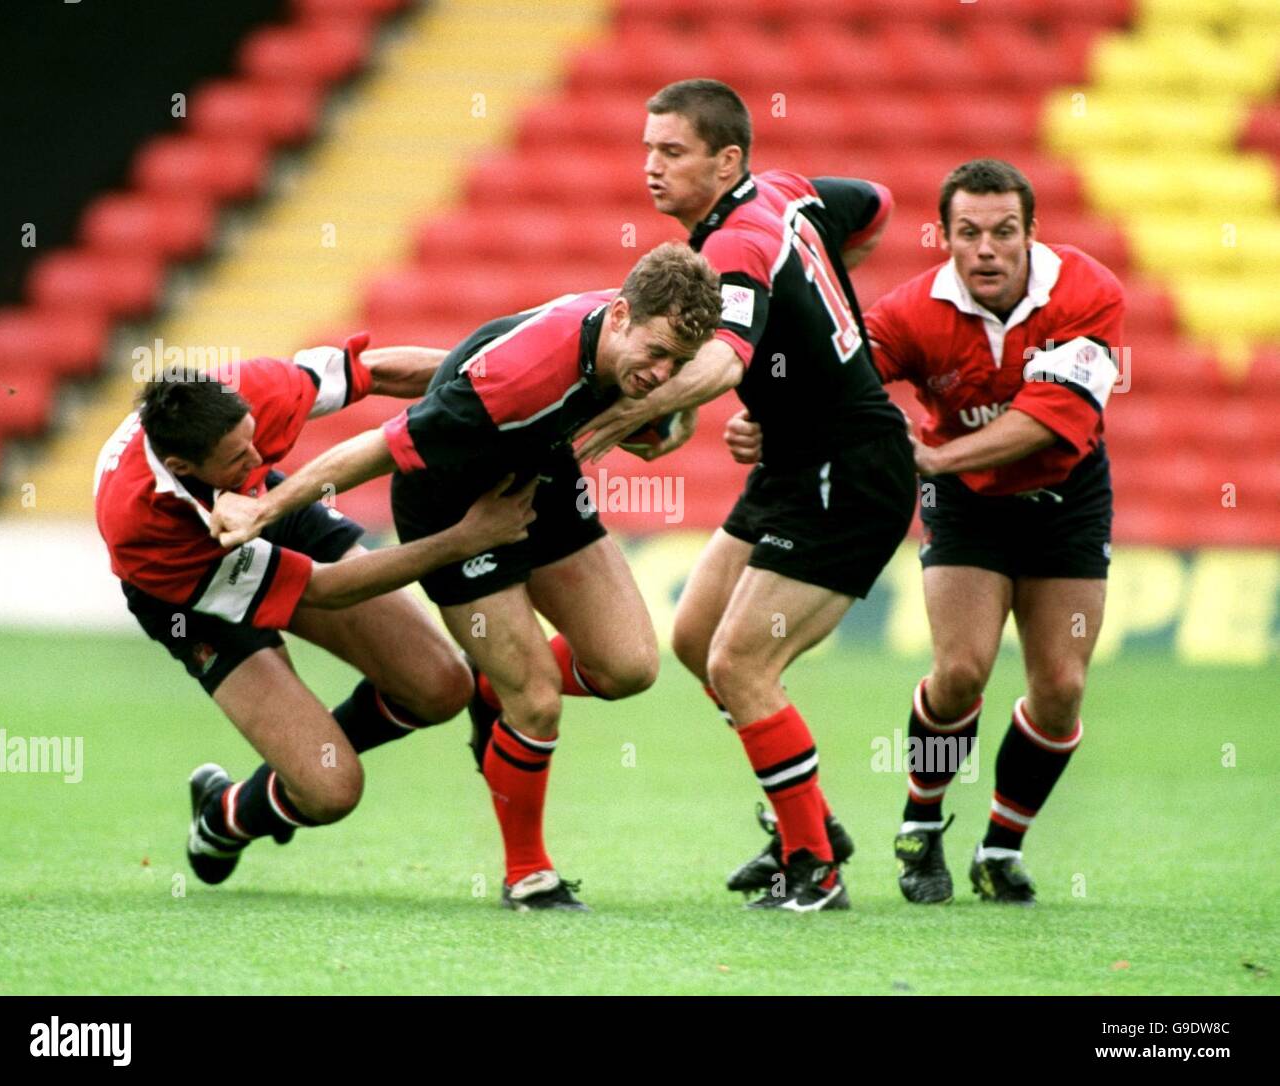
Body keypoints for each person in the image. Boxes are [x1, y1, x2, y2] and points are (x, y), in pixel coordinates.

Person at [209, 242, 723, 910]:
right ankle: (527, 874)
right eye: (656, 355)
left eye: (676, 363)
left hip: (537, 478)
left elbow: (721, 356)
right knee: (535, 697)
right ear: (620, 315)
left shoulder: (632, 340)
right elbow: (376, 450)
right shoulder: (518, 379)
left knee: (629, 667)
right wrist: (268, 508)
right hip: (448, 504)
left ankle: (493, 681)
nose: (662, 373)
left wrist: (666, 414)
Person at [723, 158, 1126, 905]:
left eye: (1004, 232)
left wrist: (938, 455)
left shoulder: (1088, 292)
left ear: (1032, 233)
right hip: (968, 509)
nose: (986, 249)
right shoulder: (912, 312)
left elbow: (1056, 418)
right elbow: (835, 377)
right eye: (968, 233)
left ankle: (1002, 846)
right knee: (962, 672)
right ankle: (922, 821)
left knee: (1063, 686)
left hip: (1067, 500)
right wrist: (764, 422)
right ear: (944, 238)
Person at [577, 79, 915, 912]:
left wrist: (596, 434)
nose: (650, 167)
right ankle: (811, 827)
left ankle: (815, 871)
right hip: (795, 461)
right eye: (647, 147)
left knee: (741, 662)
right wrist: (809, 344)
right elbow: (873, 206)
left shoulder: (732, 246)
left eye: (672, 152)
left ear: (727, 160)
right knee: (697, 641)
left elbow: (723, 362)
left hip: (848, 471)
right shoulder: (788, 191)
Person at [94, 334, 538, 886]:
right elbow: (325, 590)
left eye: (252, 441)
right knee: (331, 792)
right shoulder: (145, 526)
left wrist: (495, 387)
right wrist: (466, 537)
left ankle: (247, 796)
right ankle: (224, 818)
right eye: (238, 459)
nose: (258, 458)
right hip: (190, 593)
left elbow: (373, 371)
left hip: (269, 515)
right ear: (184, 465)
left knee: (441, 686)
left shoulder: (254, 389)